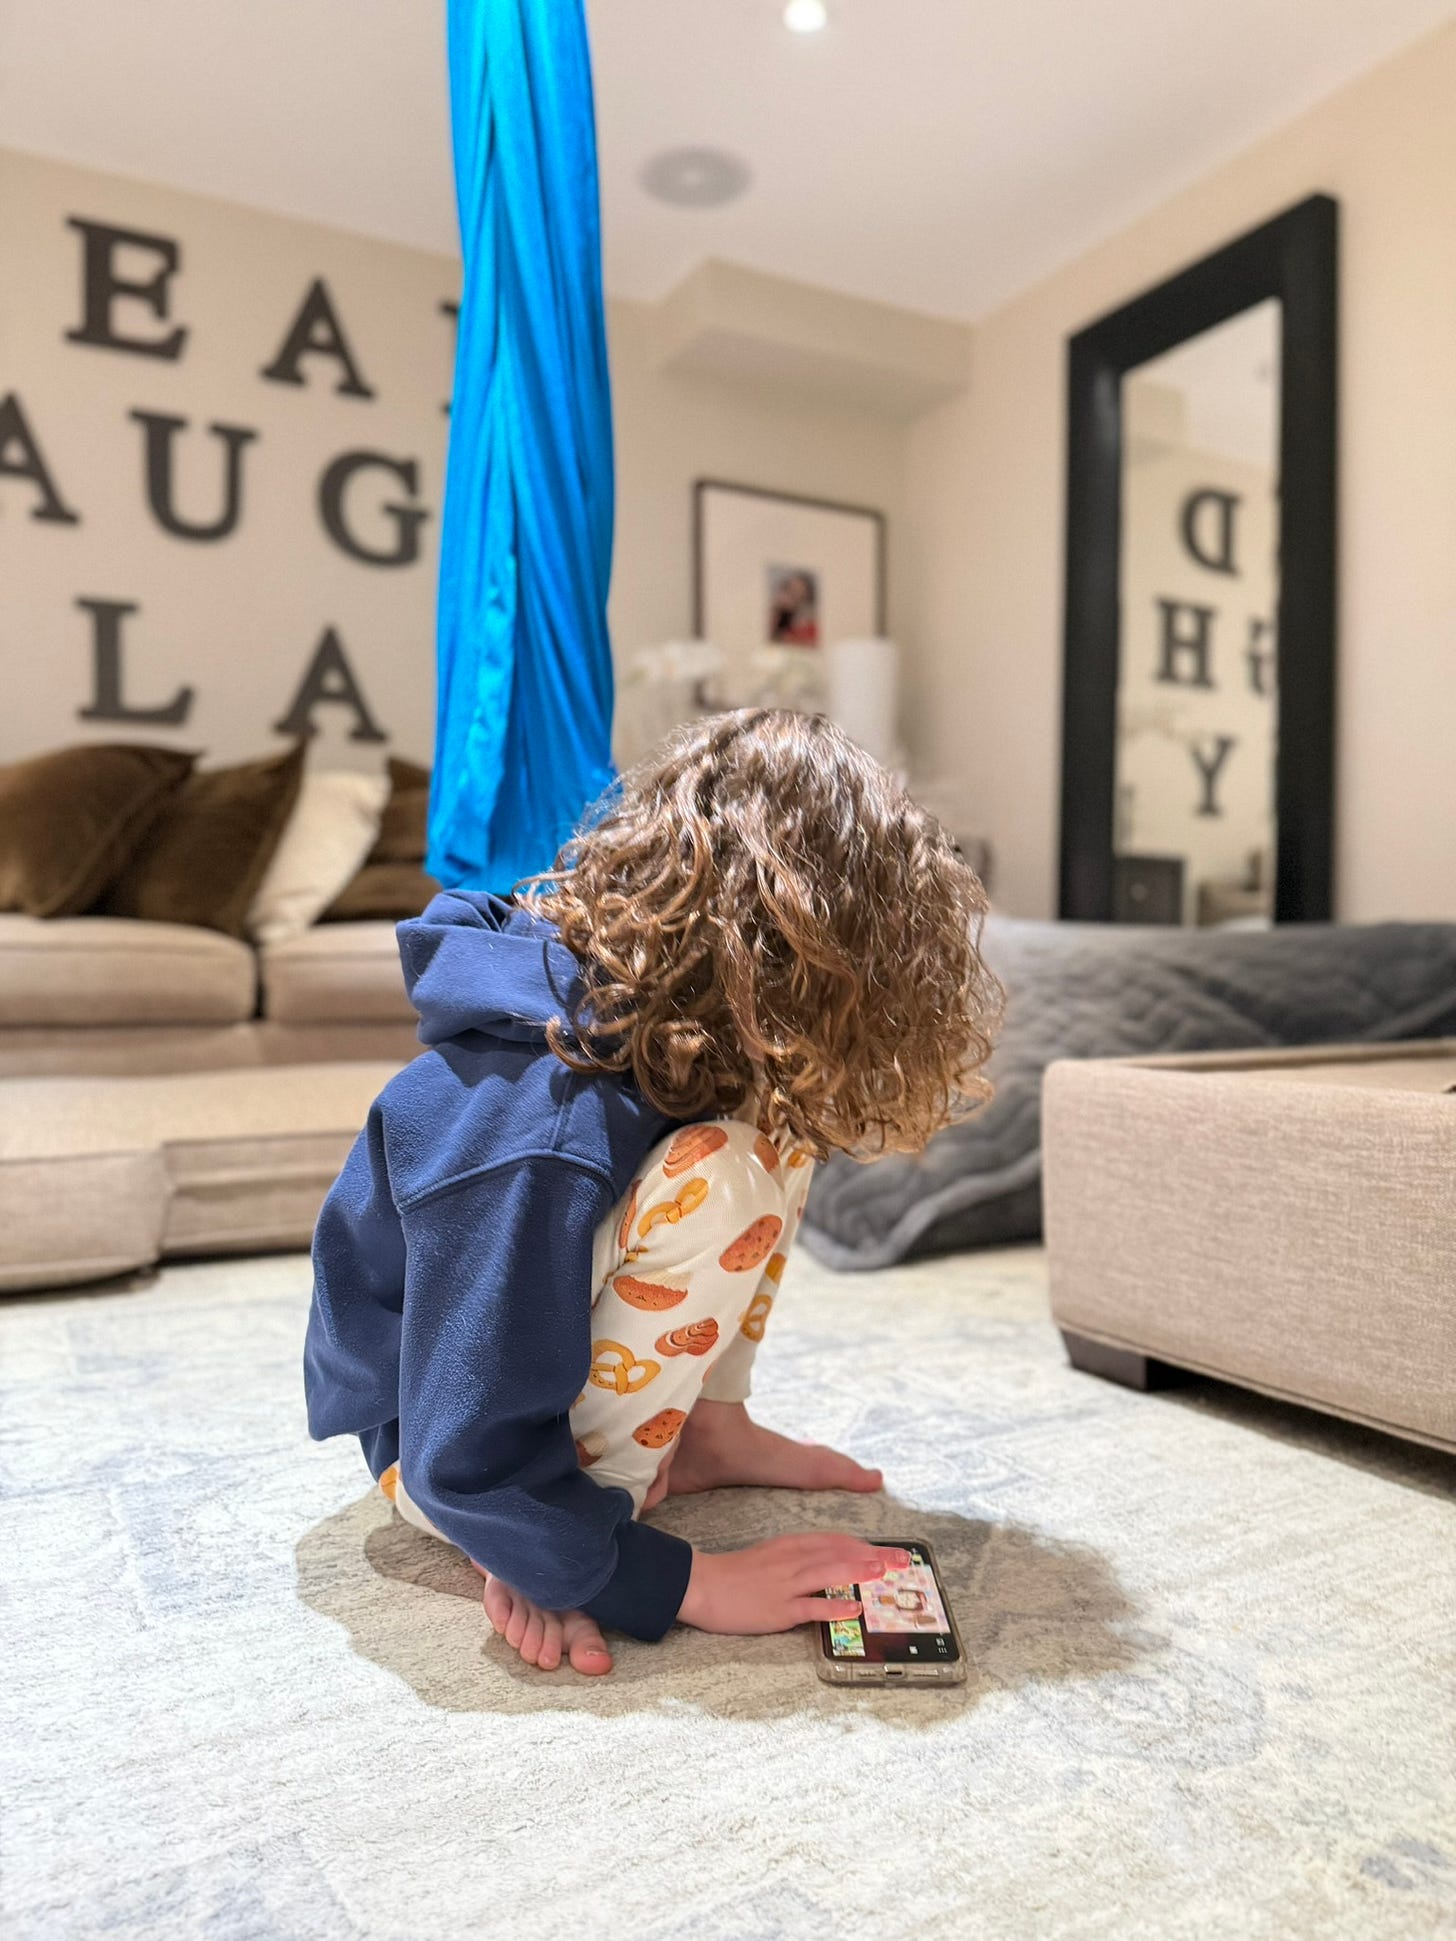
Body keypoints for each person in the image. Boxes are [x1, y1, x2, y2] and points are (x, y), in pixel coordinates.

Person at [305, 710, 1001, 1675]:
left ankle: (706, 1428)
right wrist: (623, 1572)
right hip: (431, 1443)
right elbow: (458, 1450)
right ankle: (579, 1502)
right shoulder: (543, 1125)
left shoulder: (652, 1024)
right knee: (720, 1180)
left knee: (776, 1126)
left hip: (483, 1400)